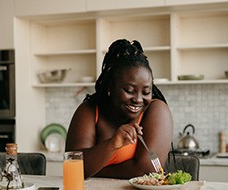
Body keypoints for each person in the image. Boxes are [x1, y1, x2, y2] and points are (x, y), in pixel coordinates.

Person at [65, 39, 173, 179]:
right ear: (110, 87)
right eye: (129, 90)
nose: (138, 99)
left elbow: (146, 170)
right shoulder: (90, 110)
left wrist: (97, 170)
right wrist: (112, 144)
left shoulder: (157, 110)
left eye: (146, 92)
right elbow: (74, 165)